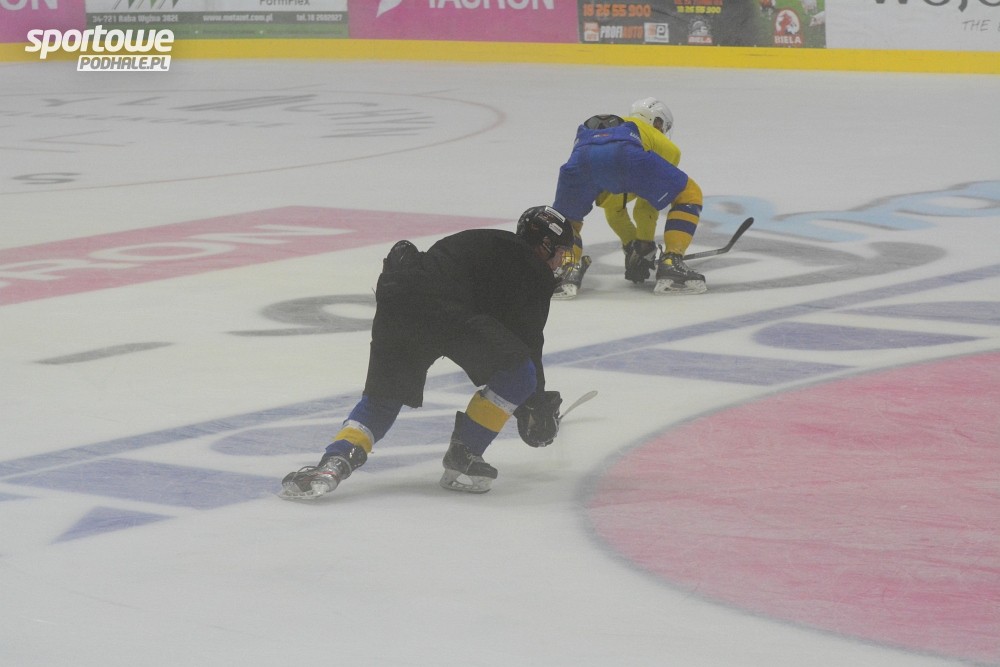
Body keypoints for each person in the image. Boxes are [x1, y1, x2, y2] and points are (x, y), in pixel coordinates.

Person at [280, 206, 573, 500]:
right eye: (561, 252)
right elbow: (527, 345)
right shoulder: (532, 269)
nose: (562, 261)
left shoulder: (489, 243)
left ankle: (333, 463)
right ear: (544, 245)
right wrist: (536, 405)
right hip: (446, 313)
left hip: (399, 301)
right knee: (521, 374)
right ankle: (465, 452)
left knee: (382, 400)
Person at [551, 97, 706, 298]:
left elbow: (613, 207)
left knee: (566, 223)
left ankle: (565, 269)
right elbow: (647, 205)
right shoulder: (665, 146)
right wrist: (643, 244)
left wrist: (630, 243)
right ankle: (672, 262)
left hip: (581, 155)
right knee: (689, 194)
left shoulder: (614, 127)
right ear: (657, 121)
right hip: (626, 155)